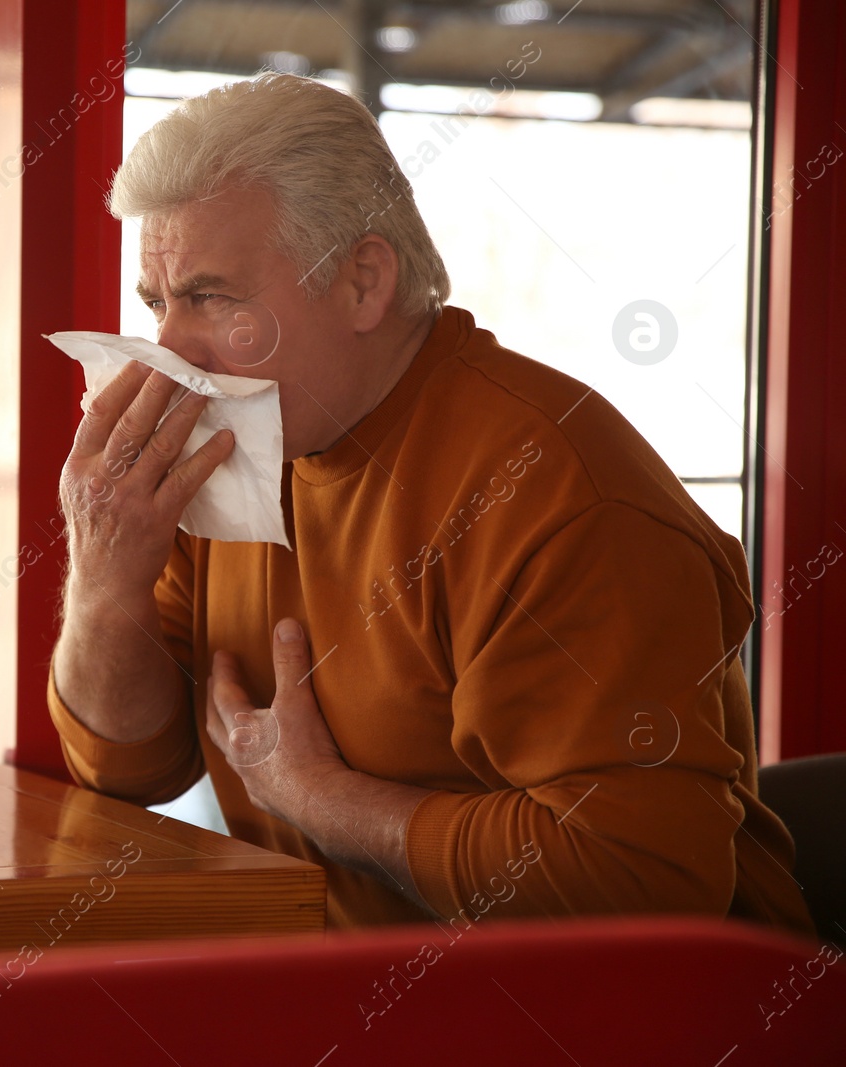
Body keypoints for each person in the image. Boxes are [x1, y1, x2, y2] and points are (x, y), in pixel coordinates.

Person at [46, 73, 813, 936]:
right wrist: (106, 584)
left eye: (211, 297)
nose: (169, 349)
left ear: (365, 281)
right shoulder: (234, 449)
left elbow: (641, 880)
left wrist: (325, 801)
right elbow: (128, 768)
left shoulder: (556, 491)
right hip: (344, 999)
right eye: (157, 302)